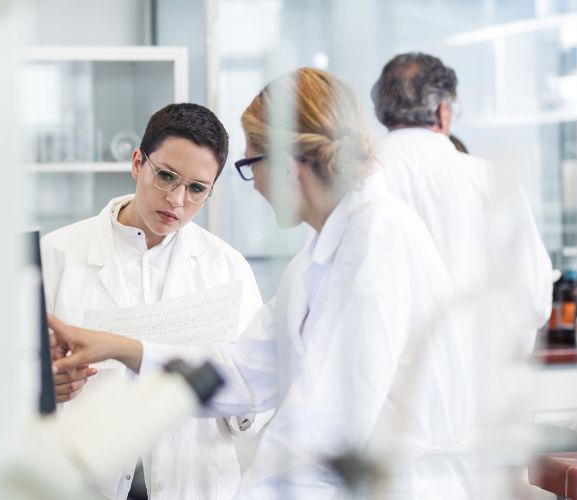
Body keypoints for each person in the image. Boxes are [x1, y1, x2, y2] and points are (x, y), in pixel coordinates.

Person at [50, 68, 476, 499]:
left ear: (289, 167)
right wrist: (123, 348)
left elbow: (324, 431)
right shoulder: (321, 253)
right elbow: (242, 371)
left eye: (250, 166)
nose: (254, 187)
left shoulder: (376, 244)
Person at [41, 103, 268, 500]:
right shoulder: (56, 255)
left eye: (197, 189)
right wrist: (45, 384)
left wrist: (240, 391)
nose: (177, 200)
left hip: (192, 481)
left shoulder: (227, 268)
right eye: (166, 176)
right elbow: (1, 381)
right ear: (136, 163)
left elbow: (256, 402)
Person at [370, 52, 552, 351]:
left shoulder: (354, 179)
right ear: (443, 111)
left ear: (382, 111)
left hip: (386, 382)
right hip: (477, 377)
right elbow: (532, 297)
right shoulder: (488, 179)